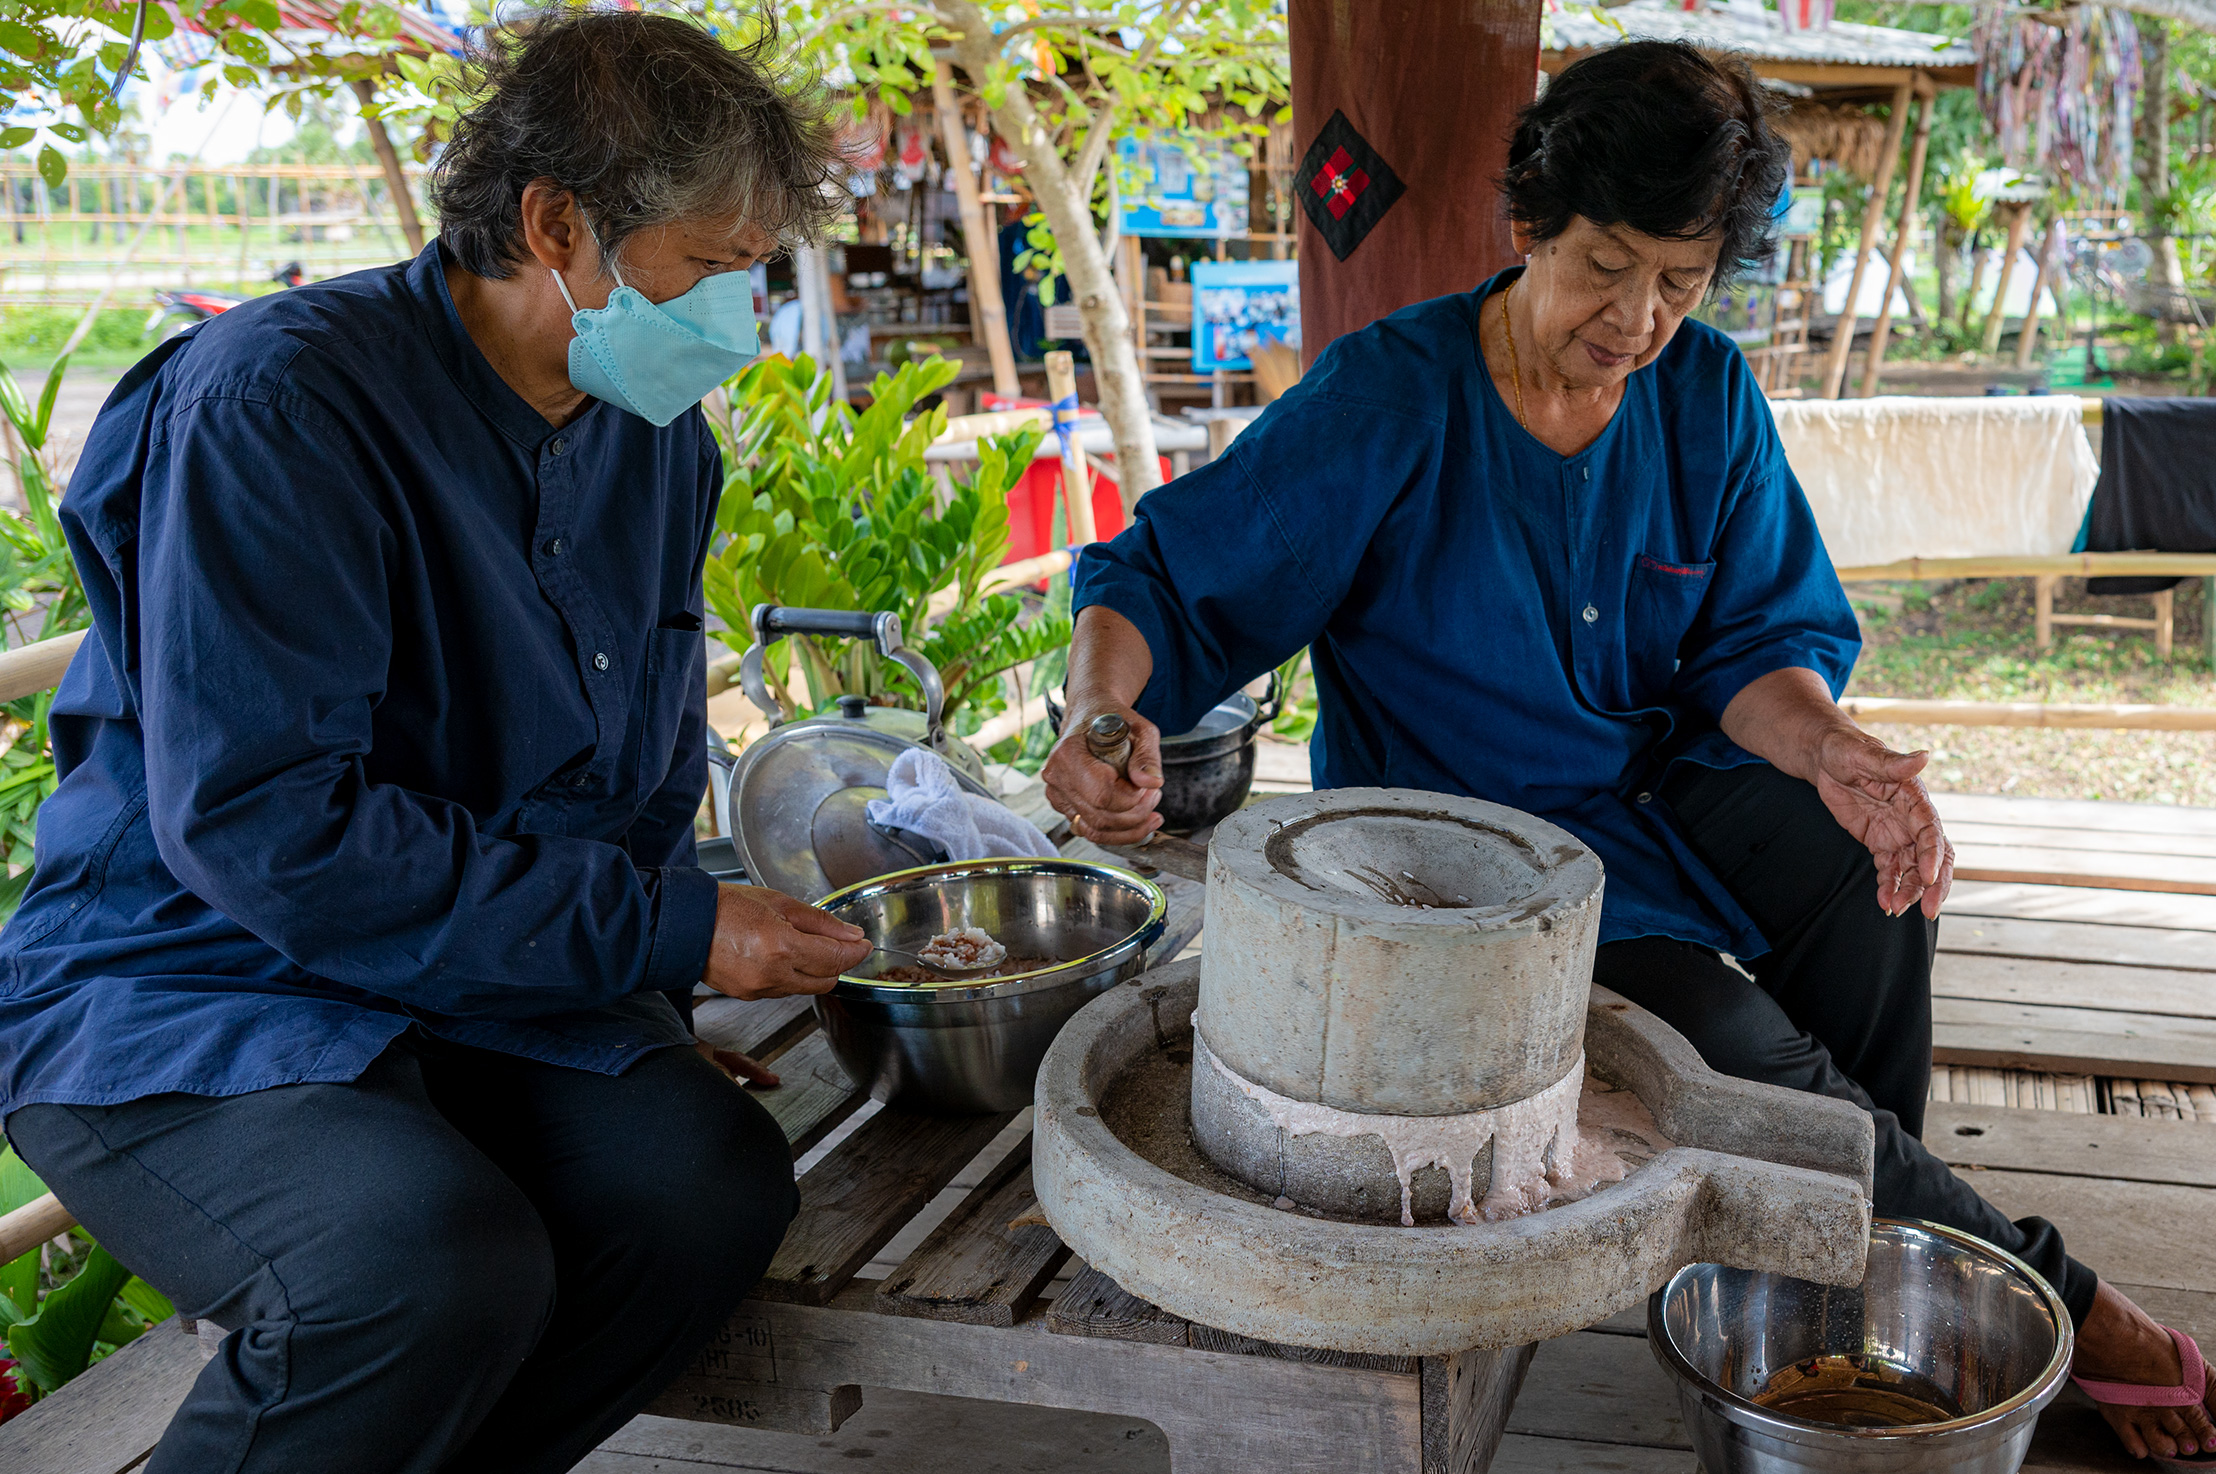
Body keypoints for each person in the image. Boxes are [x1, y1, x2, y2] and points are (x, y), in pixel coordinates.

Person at [1045, 42, 2215, 1464]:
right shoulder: (1393, 401)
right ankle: (2058, 1296)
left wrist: (1835, 746)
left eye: (1681, 280)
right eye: (1608, 264)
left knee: (1871, 862)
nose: (1640, 317)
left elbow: (1748, 655)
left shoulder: (1703, 394)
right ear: (1530, 220)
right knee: (1742, 1057)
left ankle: (1848, 1262)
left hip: (1661, 795)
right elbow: (1159, 579)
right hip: (1474, 882)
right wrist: (1102, 717)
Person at [0, 13, 874, 1472]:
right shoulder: (281, 404)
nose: (740, 314)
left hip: (474, 980)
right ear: (556, 225)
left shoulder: (659, 443)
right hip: (200, 977)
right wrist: (663, 928)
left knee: (701, 1188)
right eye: (711, 268)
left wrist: (644, 986)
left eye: (753, 272)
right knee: (417, 1263)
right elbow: (269, 828)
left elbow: (643, 781)